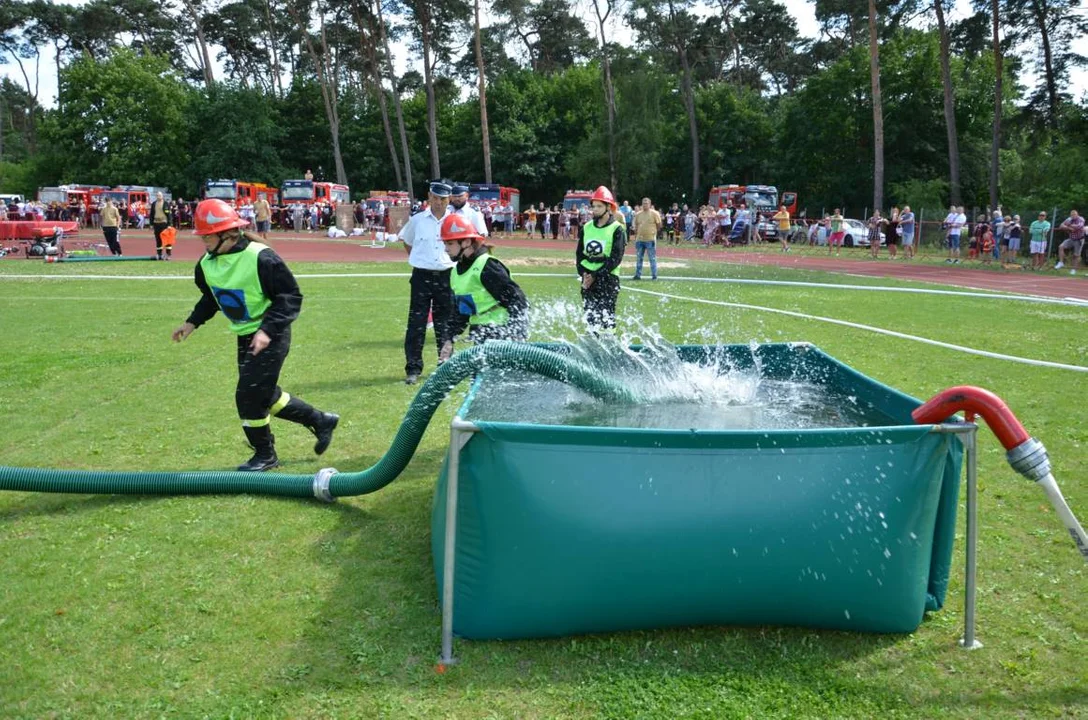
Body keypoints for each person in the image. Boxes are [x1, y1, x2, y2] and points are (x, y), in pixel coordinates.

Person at [171, 199, 339, 472]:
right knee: (264, 395)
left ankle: (265, 454)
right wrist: (191, 323)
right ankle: (321, 420)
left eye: (206, 236)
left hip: (272, 334)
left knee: (247, 397)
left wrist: (266, 331)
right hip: (245, 335)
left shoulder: (261, 257)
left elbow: (290, 297)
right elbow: (211, 297)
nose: (202, 241)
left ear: (226, 234)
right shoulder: (205, 264)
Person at [438, 214, 529, 363]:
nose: (445, 249)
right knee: (480, 380)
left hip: (502, 332)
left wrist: (517, 333)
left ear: (466, 242)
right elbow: (463, 312)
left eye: (449, 244)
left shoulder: (487, 266)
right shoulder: (456, 272)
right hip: (481, 332)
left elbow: (518, 301)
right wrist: (449, 340)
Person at [398, 181, 455, 384]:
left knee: (445, 324)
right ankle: (413, 368)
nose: (438, 203)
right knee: (416, 324)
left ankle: (445, 366)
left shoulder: (456, 221)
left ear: (449, 200)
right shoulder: (417, 220)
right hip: (422, 276)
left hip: (447, 275)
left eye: (443, 199)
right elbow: (407, 241)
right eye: (435, 198)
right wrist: (421, 260)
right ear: (429, 197)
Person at [576, 186, 626, 331]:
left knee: (607, 319)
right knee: (590, 319)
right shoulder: (586, 227)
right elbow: (579, 254)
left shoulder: (617, 229)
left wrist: (596, 275)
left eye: (599, 206)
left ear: (608, 207)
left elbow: (616, 258)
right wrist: (583, 274)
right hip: (587, 278)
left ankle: (610, 350)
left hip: (608, 278)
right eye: (593, 206)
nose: (595, 209)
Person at [632, 197, 661, 280]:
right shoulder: (638, 214)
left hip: (650, 239)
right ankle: (638, 275)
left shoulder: (654, 213)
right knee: (639, 258)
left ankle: (654, 275)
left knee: (652, 258)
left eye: (646, 203)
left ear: (650, 204)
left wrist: (654, 233)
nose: (645, 205)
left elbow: (659, 225)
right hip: (640, 240)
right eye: (643, 203)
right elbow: (636, 226)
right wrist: (636, 234)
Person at [1056, 209, 1084, 274]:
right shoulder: (1069, 219)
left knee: (1075, 255)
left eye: (1075, 215)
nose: (1073, 216)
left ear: (1077, 215)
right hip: (1071, 238)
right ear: (1070, 215)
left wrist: (1068, 226)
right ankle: (1061, 262)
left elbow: (1079, 226)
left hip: (1079, 239)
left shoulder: (1081, 219)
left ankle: (1073, 270)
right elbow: (1061, 226)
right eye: (1072, 215)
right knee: (1061, 247)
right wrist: (1069, 228)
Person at [150, 191, 171, 260]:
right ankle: (159, 254)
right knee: (158, 240)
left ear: (162, 196)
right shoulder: (153, 204)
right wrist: (151, 224)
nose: (158, 197)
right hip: (156, 224)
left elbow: (169, 215)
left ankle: (168, 254)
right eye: (157, 195)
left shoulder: (166, 204)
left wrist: (169, 224)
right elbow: (151, 214)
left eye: (160, 195)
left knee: (167, 240)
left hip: (164, 223)